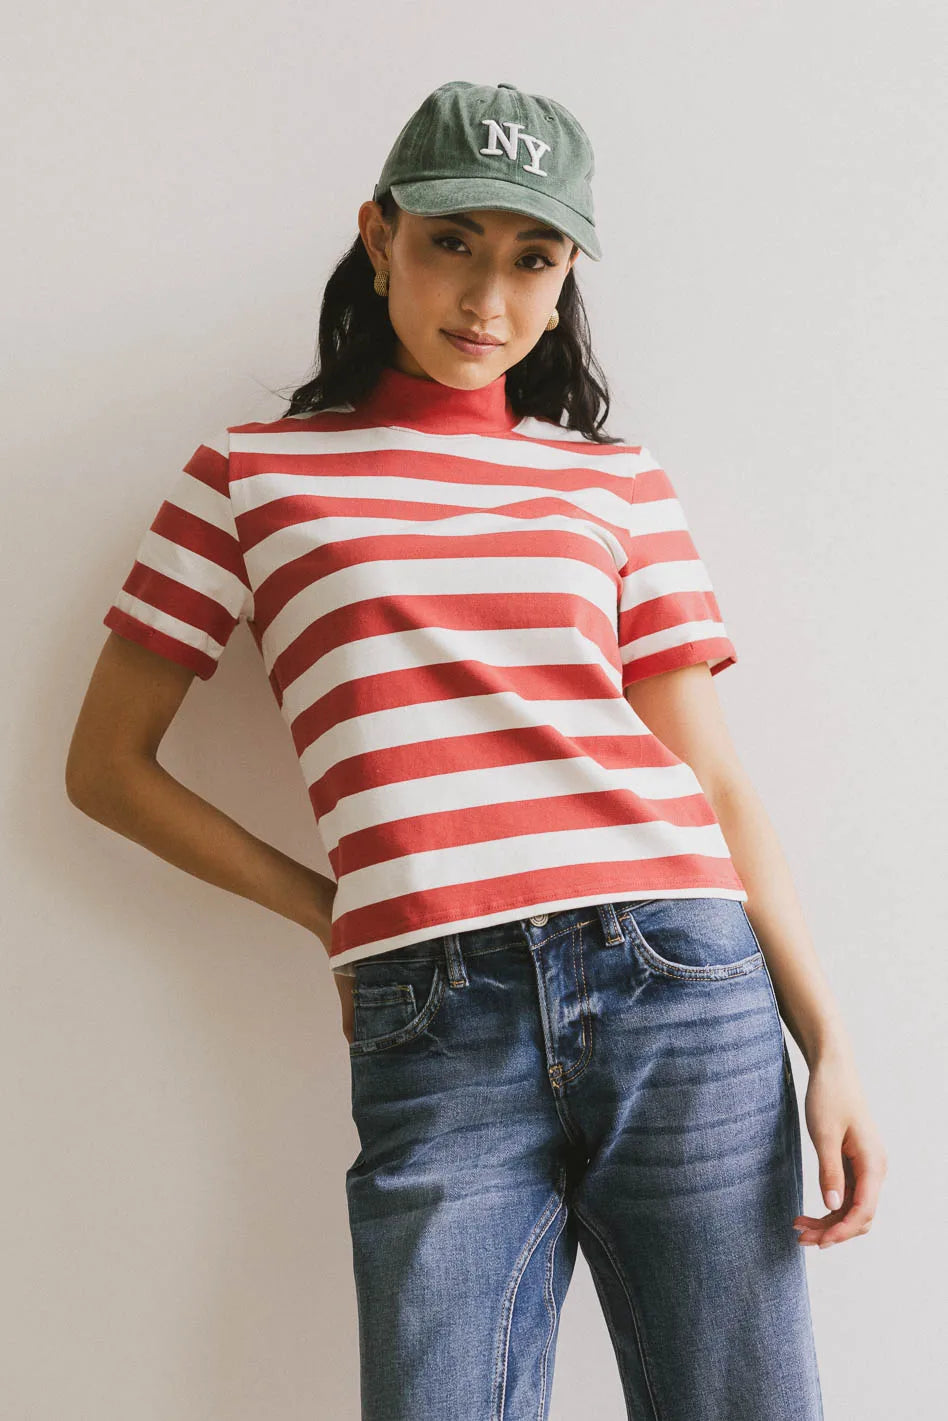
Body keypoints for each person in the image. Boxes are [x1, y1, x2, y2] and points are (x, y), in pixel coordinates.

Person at [66, 80, 886, 1421]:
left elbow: (717, 781)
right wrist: (333, 912)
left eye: (532, 258)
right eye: (453, 241)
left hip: (680, 979)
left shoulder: (614, 483)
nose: (487, 298)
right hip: (432, 1009)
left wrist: (830, 1040)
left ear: (564, 282)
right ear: (378, 234)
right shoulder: (249, 476)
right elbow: (106, 767)